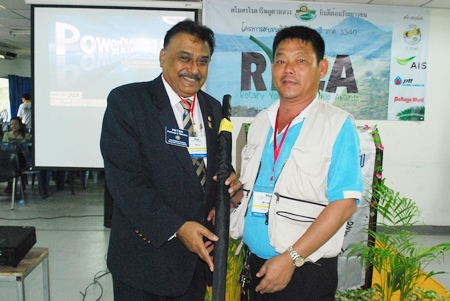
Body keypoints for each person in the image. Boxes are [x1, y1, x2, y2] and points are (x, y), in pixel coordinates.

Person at [100, 20, 241, 301]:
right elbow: (126, 183)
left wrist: (230, 189)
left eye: (203, 61)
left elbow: (208, 167)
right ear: (163, 57)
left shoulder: (212, 107)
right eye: (184, 58)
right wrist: (177, 227)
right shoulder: (128, 102)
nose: (194, 69)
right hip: (145, 264)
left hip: (195, 266)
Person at [229, 26, 364, 301]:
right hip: (255, 264)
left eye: (300, 60)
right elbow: (263, 186)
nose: (288, 69)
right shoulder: (260, 122)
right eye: (280, 61)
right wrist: (236, 194)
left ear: (322, 68)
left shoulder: (338, 125)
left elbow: (345, 203)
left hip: (305, 271)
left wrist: (291, 258)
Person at [2, 116, 31, 193]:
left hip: (22, 158)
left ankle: (21, 184)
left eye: (15, 124)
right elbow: (4, 147)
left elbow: (27, 149)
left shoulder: (26, 135)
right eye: (11, 124)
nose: (13, 126)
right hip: (10, 158)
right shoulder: (7, 135)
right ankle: (10, 185)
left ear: (21, 125)